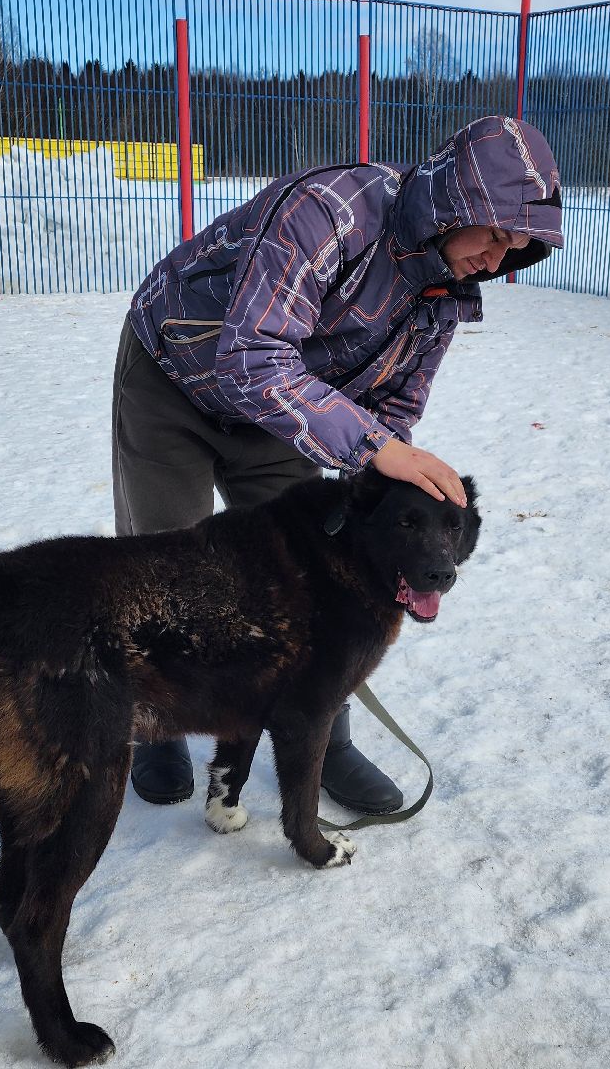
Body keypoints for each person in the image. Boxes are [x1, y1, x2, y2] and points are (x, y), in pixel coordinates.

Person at [114, 115, 563, 812]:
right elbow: (253, 355)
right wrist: (376, 448)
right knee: (163, 558)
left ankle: (326, 739)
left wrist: (383, 486)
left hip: (285, 410)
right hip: (177, 371)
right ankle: (154, 724)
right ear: (453, 203)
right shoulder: (330, 212)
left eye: (519, 247)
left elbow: (394, 408)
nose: (499, 259)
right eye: (495, 235)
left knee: (315, 563)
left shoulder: (443, 291)